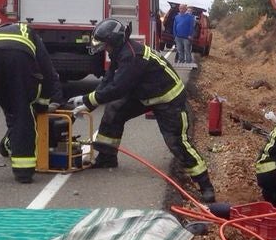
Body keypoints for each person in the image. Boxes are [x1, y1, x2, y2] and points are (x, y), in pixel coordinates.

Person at [68, 18, 216, 203]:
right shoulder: (119, 52)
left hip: (167, 98)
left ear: (113, 41)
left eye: (105, 45)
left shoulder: (131, 56)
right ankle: (107, 157)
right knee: (114, 111)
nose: (104, 49)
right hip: (144, 93)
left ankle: (205, 186)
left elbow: (118, 88)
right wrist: (92, 101)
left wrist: (88, 99)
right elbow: (109, 79)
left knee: (177, 142)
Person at [0, 22, 64, 184]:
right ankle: (23, 172)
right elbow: (46, 71)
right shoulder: (30, 34)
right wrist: (42, 103)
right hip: (18, 57)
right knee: (22, 114)